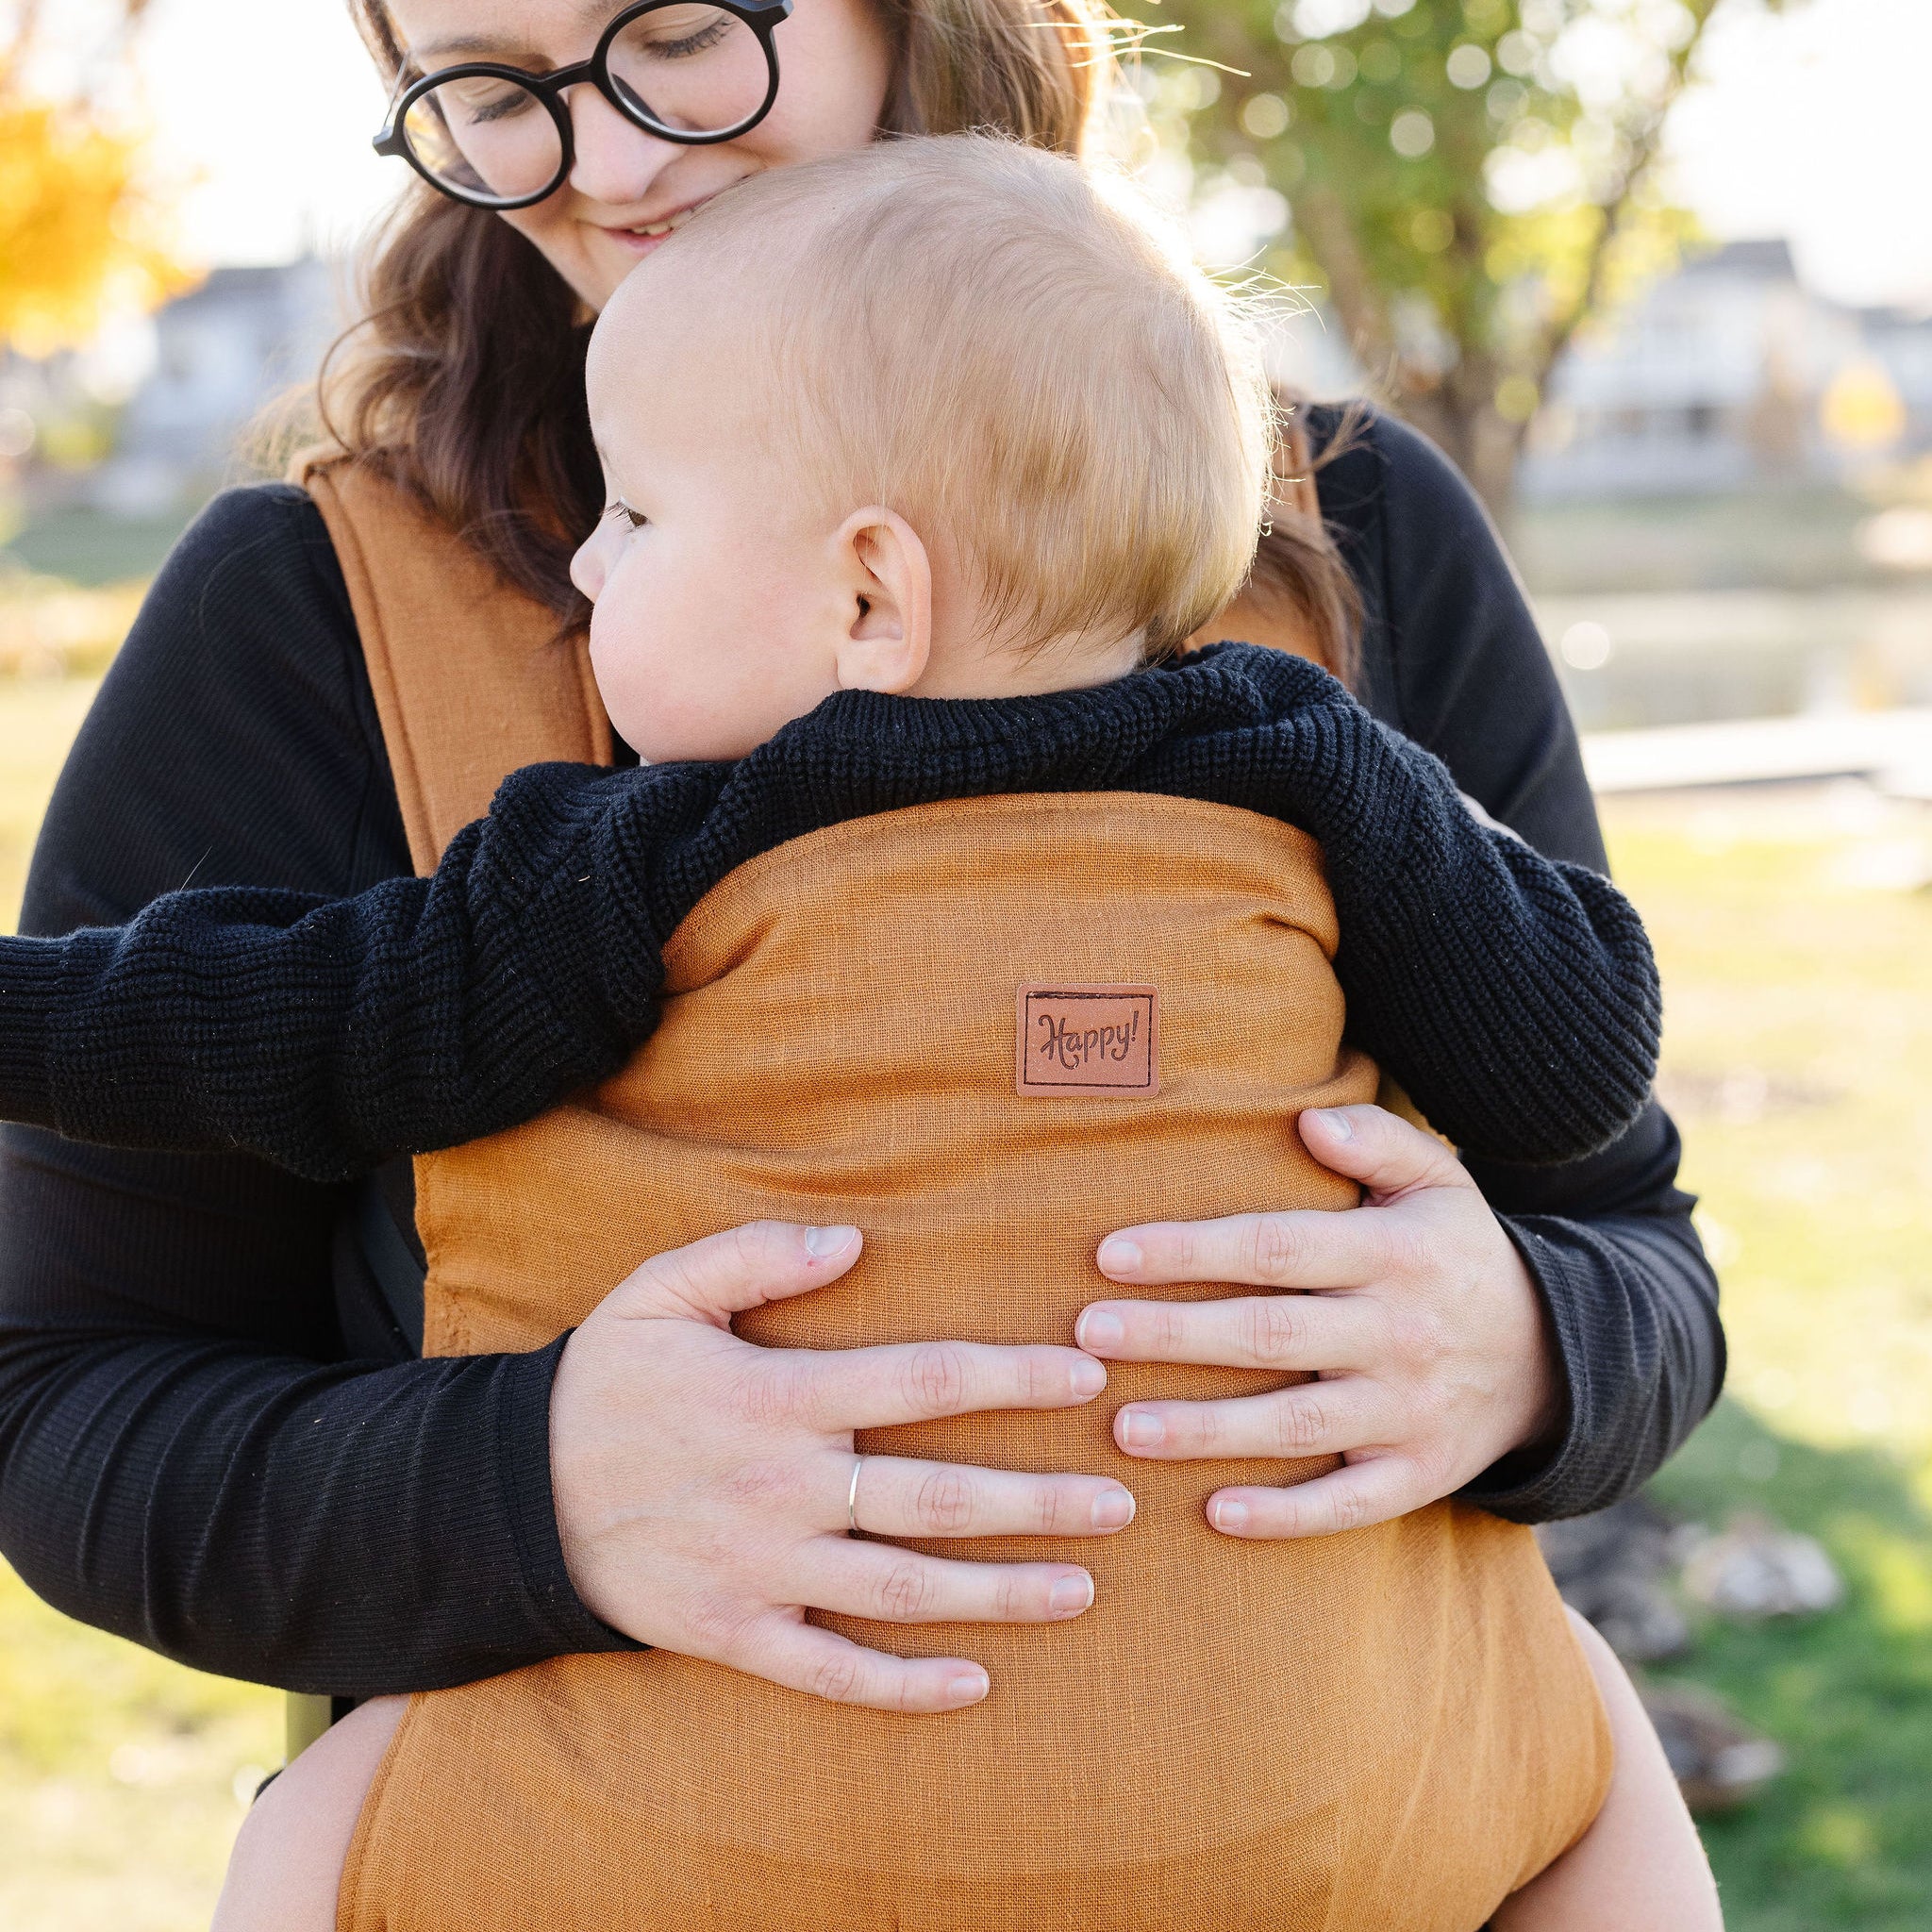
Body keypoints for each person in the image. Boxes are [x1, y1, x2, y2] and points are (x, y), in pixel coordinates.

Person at [0, 0, 1720, 1808]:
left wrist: (1525, 1348)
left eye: (674, 28)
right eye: (488, 86)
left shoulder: (1358, 538)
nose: (613, 160)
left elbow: (1628, 1229)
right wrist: (536, 1484)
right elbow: (68, 1409)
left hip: (1316, 1832)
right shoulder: (309, 618)